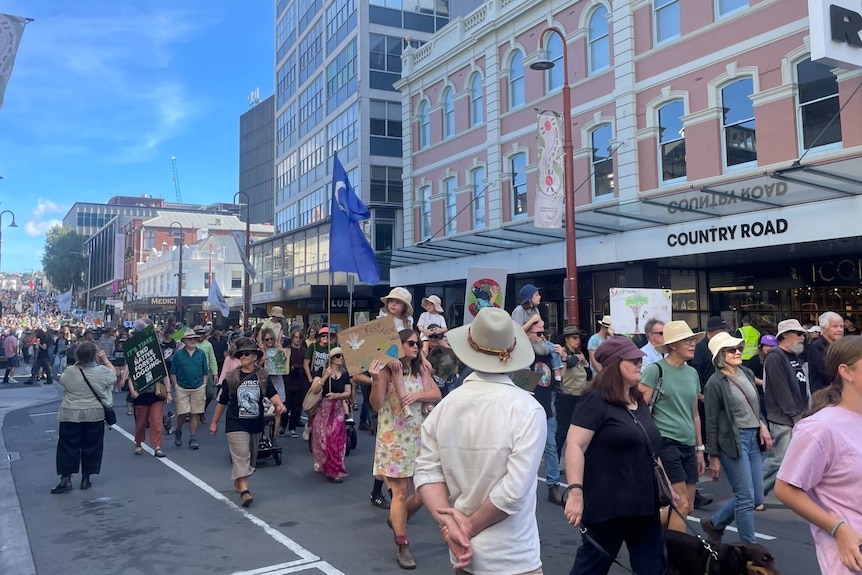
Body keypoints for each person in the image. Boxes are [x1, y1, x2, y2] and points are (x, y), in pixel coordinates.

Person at [415, 307, 545, 575]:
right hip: (514, 555)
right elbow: (512, 493)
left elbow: (427, 471)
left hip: (463, 552)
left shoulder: (445, 406)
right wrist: (466, 528)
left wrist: (452, 526)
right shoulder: (527, 409)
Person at [564, 337, 671, 575]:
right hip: (608, 506)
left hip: (644, 505)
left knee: (654, 568)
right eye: (632, 360)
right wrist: (575, 492)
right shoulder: (595, 401)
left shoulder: (637, 401)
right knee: (591, 568)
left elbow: (650, 447)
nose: (639, 363)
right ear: (614, 365)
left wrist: (666, 484)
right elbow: (575, 446)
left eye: (639, 358)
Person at [776, 335, 862, 575]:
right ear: (846, 372)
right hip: (851, 558)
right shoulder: (820, 428)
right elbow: (786, 488)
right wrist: (839, 529)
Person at [368, 328, 441, 570]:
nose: (415, 347)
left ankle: (396, 517)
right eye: (410, 343)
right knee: (399, 494)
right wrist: (376, 379)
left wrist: (418, 395)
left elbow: (436, 393)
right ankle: (403, 543)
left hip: (418, 438)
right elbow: (377, 404)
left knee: (423, 492)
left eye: (417, 344)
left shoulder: (421, 369)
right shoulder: (388, 371)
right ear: (399, 345)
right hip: (393, 439)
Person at [700, 332, 773, 545]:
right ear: (720, 355)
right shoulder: (715, 382)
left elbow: (754, 404)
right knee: (745, 498)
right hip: (733, 441)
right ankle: (748, 547)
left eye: (738, 348)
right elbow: (711, 421)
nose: (738, 351)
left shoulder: (747, 372)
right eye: (731, 349)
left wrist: (762, 425)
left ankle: (715, 522)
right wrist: (712, 455)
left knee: (756, 498)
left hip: (753, 437)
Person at [639, 320, 706, 532]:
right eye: (687, 340)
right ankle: (676, 560)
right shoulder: (655, 371)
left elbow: (695, 414)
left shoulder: (692, 373)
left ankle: (641, 530)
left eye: (693, 339)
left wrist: (699, 449)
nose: (693, 343)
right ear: (673, 345)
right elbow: (641, 410)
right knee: (681, 504)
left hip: (688, 444)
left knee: (688, 506)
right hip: (667, 443)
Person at [210, 338, 286, 507]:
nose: (243, 357)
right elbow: (222, 402)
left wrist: (280, 405)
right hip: (235, 423)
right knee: (241, 454)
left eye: (246, 354)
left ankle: (239, 480)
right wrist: (214, 422)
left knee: (250, 459)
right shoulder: (231, 377)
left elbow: (272, 394)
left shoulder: (263, 376)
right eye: (240, 354)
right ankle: (245, 491)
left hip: (255, 423)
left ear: (254, 357)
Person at [51, 341, 116, 494]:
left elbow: (63, 383)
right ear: (94, 355)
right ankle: (86, 478)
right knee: (92, 446)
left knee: (67, 447)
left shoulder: (69, 371)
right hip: (94, 414)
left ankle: (65, 479)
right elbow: (114, 375)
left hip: (70, 413)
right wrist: (105, 360)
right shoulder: (102, 372)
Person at [762, 318, 808, 496]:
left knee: (790, 459)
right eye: (798, 334)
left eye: (802, 334)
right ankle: (756, 493)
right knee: (778, 460)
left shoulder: (794, 356)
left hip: (796, 415)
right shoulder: (775, 357)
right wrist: (795, 416)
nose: (802, 337)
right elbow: (782, 390)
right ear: (785, 336)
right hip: (784, 418)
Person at [524, 319, 567, 506]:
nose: (543, 337)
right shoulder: (523, 354)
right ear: (528, 335)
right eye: (538, 333)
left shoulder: (549, 352)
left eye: (544, 333)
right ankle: (523, 488)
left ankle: (553, 487)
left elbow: (560, 377)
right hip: (527, 407)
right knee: (525, 449)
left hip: (547, 406)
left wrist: (563, 357)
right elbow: (521, 383)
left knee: (550, 447)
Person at [309, 346, 352, 483]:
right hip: (324, 410)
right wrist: (325, 377)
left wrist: (337, 395)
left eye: (342, 356)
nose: (340, 359)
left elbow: (348, 392)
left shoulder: (345, 374)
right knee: (323, 439)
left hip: (338, 409)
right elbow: (315, 389)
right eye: (337, 356)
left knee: (336, 439)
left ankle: (336, 469)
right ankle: (324, 463)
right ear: (331, 359)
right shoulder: (322, 371)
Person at [377, 287, 416, 420]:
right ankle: (405, 404)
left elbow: (413, 339)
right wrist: (391, 358)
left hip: (405, 357)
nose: (393, 304)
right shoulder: (383, 319)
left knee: (423, 367)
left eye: (397, 302)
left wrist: (423, 358)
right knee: (397, 369)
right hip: (386, 354)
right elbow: (381, 342)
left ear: (404, 306)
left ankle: (427, 402)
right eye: (391, 301)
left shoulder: (408, 322)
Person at [169, 331, 210, 450]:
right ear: (185, 341)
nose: (193, 341)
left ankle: (193, 438)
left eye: (194, 339)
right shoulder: (178, 354)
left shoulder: (201, 353)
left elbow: (205, 371)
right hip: (182, 387)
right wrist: (175, 385)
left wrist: (204, 384)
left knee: (194, 413)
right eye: (190, 339)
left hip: (198, 387)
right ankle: (179, 429)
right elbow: (173, 372)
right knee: (183, 413)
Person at [554, 326, 590, 460]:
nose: (577, 340)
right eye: (574, 338)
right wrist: (577, 358)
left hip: (580, 396)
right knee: (562, 432)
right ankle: (556, 461)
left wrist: (584, 361)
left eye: (579, 338)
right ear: (567, 339)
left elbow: (589, 374)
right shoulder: (562, 352)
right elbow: (568, 363)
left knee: (579, 430)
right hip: (566, 396)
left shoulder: (579, 353)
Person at [808, 311, 844, 394]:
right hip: (824, 394)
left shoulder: (842, 345)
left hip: (841, 392)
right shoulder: (816, 346)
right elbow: (827, 372)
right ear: (823, 328)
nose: (840, 330)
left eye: (841, 326)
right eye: (835, 326)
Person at [742, 334, 777, 423]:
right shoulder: (756, 360)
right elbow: (750, 376)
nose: (768, 348)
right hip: (761, 394)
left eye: (771, 346)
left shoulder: (778, 359)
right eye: (766, 346)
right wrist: (765, 383)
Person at [281, 327, 307, 437]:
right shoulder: (286, 350)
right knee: (286, 404)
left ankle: (292, 428)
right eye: (296, 337)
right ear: (292, 338)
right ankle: (283, 425)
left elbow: (307, 365)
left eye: (300, 338)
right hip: (287, 380)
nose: (298, 340)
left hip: (299, 381)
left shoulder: (304, 351)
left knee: (296, 407)